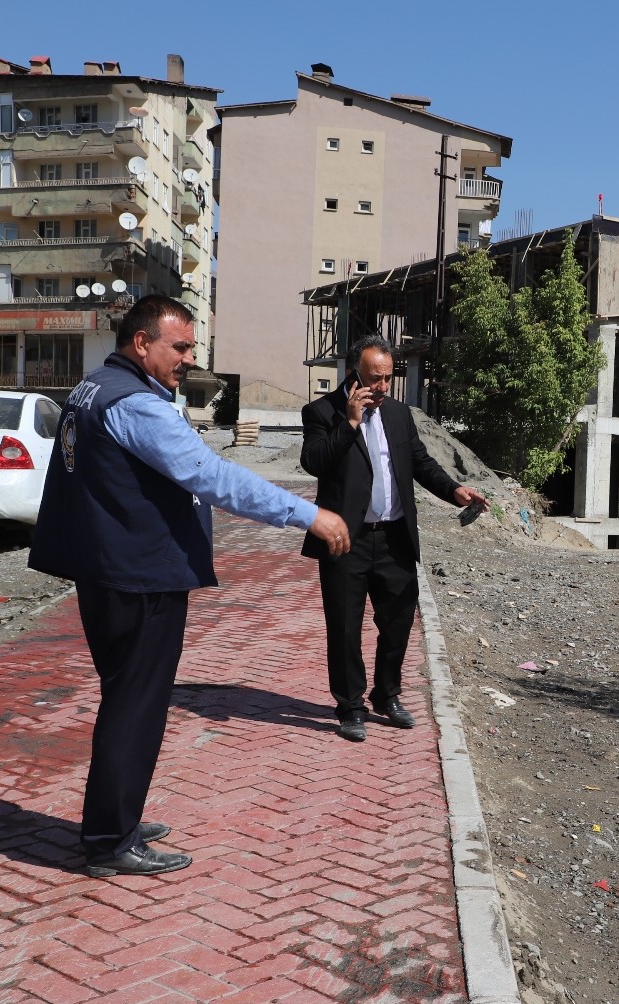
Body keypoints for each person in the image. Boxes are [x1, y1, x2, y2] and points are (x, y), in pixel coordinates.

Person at [30, 294, 351, 878]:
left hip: (106, 570)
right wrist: (308, 515)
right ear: (141, 343)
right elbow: (209, 475)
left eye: (192, 347)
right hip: (138, 576)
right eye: (178, 347)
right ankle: (109, 840)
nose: (188, 359)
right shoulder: (137, 406)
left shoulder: (94, 387)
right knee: (136, 706)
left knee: (125, 698)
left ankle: (115, 816)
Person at [301, 335, 487, 742]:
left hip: (394, 539)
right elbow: (314, 462)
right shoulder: (321, 411)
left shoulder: (400, 415)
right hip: (345, 541)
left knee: (399, 623)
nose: (383, 387)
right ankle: (350, 706)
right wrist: (349, 421)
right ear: (354, 374)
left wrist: (454, 490)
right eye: (375, 379)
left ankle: (386, 695)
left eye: (389, 378)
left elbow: (419, 462)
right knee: (346, 628)